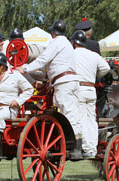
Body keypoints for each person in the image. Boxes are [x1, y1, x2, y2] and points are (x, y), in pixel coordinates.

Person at [18, 20, 82, 159]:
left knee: (68, 112)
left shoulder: (56, 42)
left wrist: (25, 68)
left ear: (53, 32)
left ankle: (75, 148)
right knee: (71, 112)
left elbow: (43, 59)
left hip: (63, 82)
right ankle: (75, 145)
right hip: (70, 80)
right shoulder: (67, 44)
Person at [70, 30, 110, 158]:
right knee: (91, 119)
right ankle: (92, 148)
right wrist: (96, 75)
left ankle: (83, 147)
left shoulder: (71, 54)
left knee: (80, 118)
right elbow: (106, 68)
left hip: (78, 88)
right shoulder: (93, 55)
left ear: (74, 43)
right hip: (91, 89)